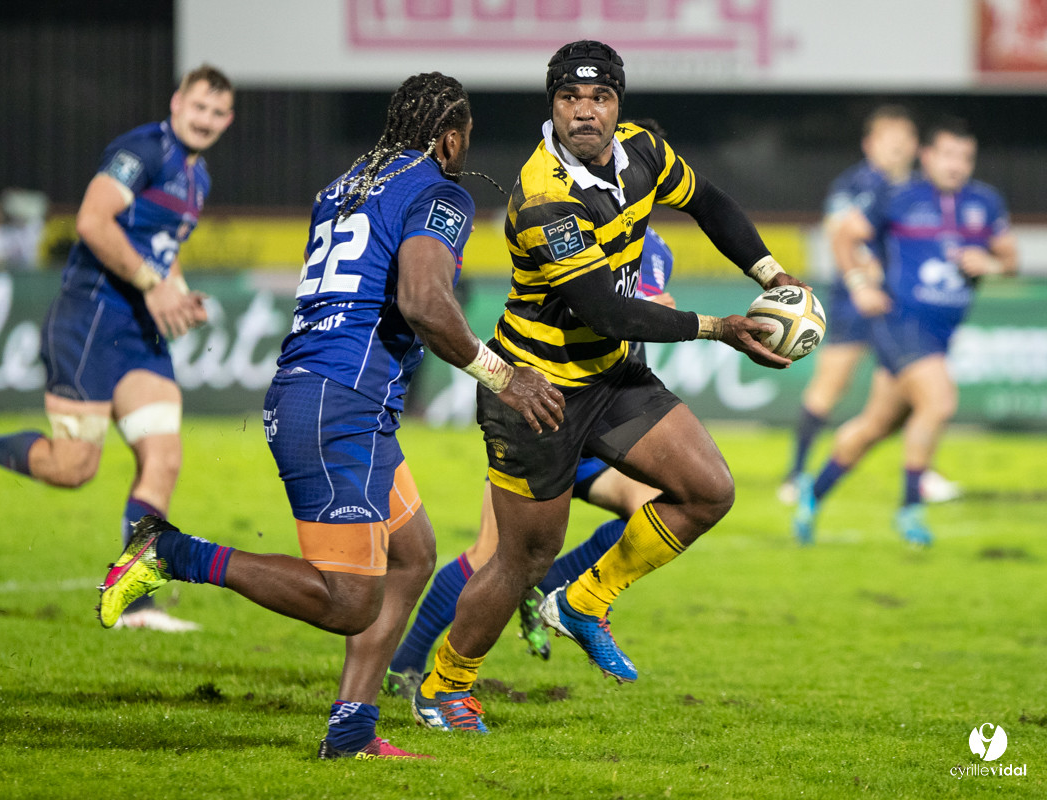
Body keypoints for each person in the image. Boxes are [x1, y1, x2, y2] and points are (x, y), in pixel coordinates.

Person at [94, 73, 564, 759]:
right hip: (342, 403)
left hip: (325, 393)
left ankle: (350, 729)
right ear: (451, 137)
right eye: (462, 141)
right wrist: (503, 377)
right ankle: (170, 551)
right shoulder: (439, 190)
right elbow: (426, 305)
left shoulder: (345, 185)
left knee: (413, 554)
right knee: (350, 601)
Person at [411, 40, 800, 735]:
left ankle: (586, 600)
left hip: (610, 376)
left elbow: (708, 201)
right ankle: (442, 683)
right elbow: (608, 311)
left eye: (598, 98)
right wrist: (718, 326)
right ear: (551, 106)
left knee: (708, 490)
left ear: (618, 104)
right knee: (523, 557)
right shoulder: (543, 195)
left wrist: (770, 275)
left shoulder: (644, 149)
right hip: (535, 391)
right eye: (569, 98)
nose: (583, 112)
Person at [0, 65, 235, 632]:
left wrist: (179, 294)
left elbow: (164, 254)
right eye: (199, 108)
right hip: (89, 317)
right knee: (74, 468)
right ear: (176, 103)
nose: (206, 120)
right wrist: (153, 284)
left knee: (163, 458)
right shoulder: (142, 149)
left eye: (218, 113)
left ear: (228, 119)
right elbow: (92, 221)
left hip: (140, 332)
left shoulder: (200, 178)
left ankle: (135, 602)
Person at [384, 221, 675, 695]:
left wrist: (656, 314)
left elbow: (644, 310)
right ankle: (406, 664)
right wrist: (648, 312)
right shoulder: (561, 224)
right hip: (543, 418)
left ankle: (551, 586)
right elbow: (602, 312)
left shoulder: (653, 243)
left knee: (662, 505)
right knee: (488, 557)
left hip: (600, 425)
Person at [794, 117, 1017, 546]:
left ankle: (813, 494)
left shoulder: (984, 202)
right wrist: (860, 285)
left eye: (965, 157)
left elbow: (1009, 257)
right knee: (939, 400)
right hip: (899, 323)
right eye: (948, 155)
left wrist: (988, 263)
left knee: (875, 426)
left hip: (940, 334)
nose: (957, 165)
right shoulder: (898, 196)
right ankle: (911, 507)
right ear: (927, 156)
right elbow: (844, 237)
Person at [779, 106, 963, 507]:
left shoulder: (919, 188)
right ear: (870, 144)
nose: (897, 150)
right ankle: (796, 475)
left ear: (916, 146)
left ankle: (921, 472)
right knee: (831, 385)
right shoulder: (854, 185)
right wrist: (862, 276)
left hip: (899, 305)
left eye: (904, 142)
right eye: (888, 142)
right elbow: (840, 234)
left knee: (916, 396)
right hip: (853, 300)